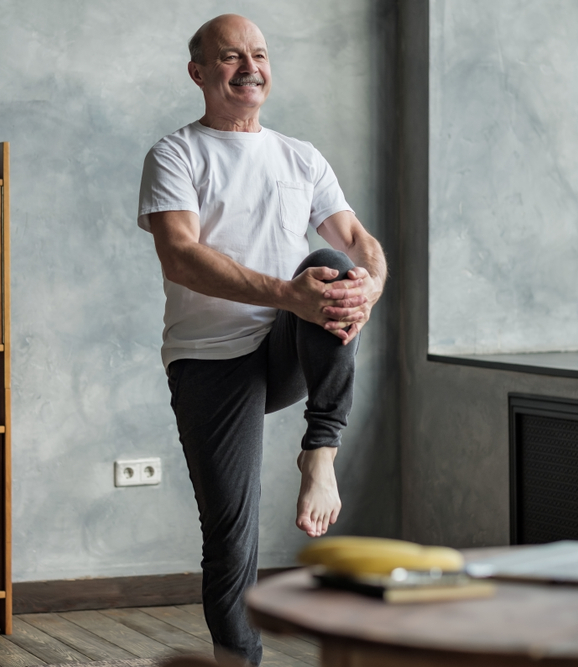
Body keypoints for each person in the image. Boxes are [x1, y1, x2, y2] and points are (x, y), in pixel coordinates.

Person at [136, 13, 386, 666]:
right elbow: (181, 256)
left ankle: (320, 451)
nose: (249, 66)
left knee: (333, 270)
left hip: (287, 349)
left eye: (259, 54)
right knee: (230, 537)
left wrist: (372, 287)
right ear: (199, 72)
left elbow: (358, 243)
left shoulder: (300, 156)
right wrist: (287, 295)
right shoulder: (176, 153)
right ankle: (237, 661)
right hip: (208, 359)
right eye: (230, 56)